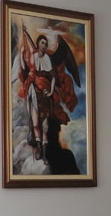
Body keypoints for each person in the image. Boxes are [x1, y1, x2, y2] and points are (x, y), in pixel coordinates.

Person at [18, 24, 77, 164]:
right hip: (34, 93)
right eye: (42, 43)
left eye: (45, 43)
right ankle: (39, 150)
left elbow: (53, 77)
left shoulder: (47, 59)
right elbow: (25, 66)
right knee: (36, 124)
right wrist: (21, 51)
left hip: (44, 95)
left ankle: (44, 155)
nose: (44, 45)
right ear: (38, 44)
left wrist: (50, 91)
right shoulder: (33, 57)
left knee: (44, 127)